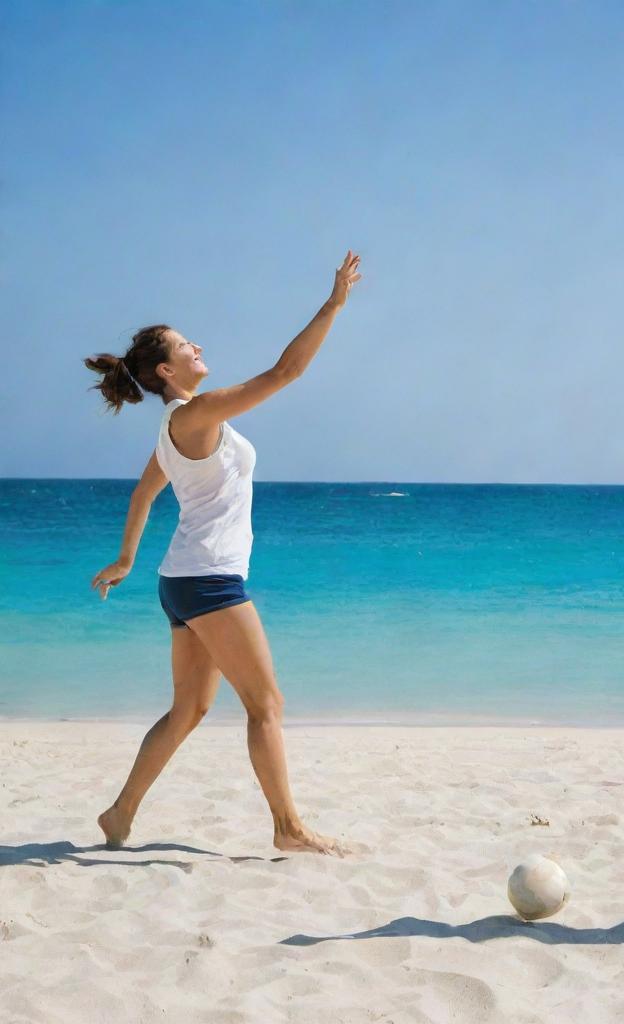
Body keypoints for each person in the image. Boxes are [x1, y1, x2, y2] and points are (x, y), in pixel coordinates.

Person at [85, 249, 362, 855]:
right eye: (185, 346)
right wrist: (333, 306)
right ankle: (289, 828)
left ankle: (120, 812)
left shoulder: (176, 427)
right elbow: (285, 372)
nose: (197, 347)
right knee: (266, 705)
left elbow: (143, 493)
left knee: (189, 709)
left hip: (182, 581)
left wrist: (129, 559)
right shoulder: (199, 414)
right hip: (209, 580)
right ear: (165, 370)